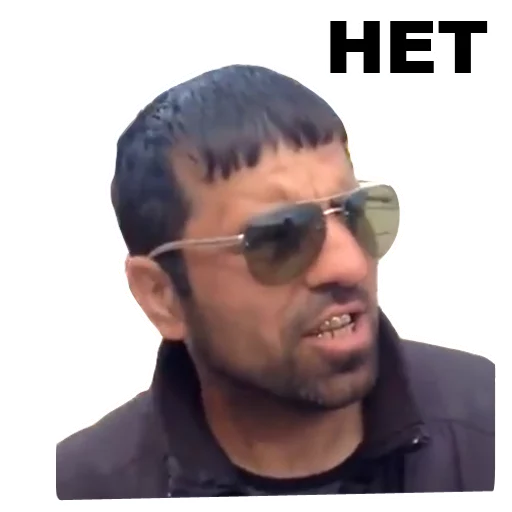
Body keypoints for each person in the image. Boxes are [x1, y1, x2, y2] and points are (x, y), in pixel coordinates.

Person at [57, 64, 495, 499]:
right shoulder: (75, 492)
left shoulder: (491, 430)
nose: (349, 265)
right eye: (280, 237)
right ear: (162, 296)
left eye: (356, 212)